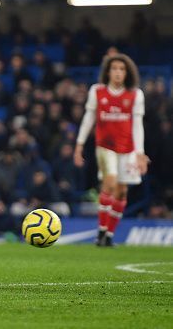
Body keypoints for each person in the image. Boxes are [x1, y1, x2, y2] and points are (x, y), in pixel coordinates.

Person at [74, 53, 148, 247]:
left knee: (122, 192)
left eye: (122, 69)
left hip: (129, 149)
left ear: (127, 73)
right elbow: (89, 118)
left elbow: (137, 125)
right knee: (110, 184)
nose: (118, 72)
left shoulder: (135, 94)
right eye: (114, 68)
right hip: (105, 147)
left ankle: (108, 235)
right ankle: (100, 231)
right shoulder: (97, 91)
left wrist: (140, 153)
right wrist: (79, 144)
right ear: (107, 72)